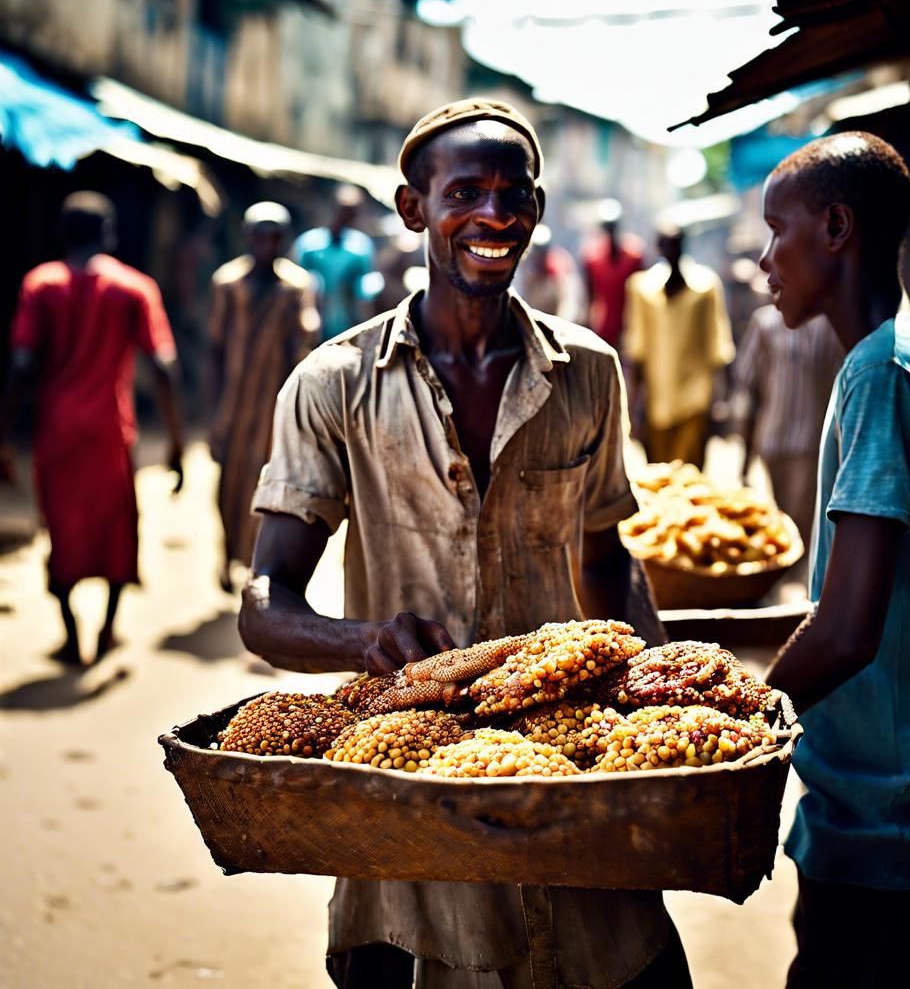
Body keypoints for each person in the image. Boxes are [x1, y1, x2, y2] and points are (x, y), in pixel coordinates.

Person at [238, 98, 689, 989]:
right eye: (466, 192)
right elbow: (264, 606)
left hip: (568, 787)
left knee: (625, 964)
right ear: (415, 210)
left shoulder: (588, 373)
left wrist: (658, 691)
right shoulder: (334, 384)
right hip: (406, 803)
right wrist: (363, 641)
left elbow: (605, 557)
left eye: (513, 193)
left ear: (538, 206)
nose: (495, 215)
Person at [758, 132, 910, 988]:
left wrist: (733, 731)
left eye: (774, 230)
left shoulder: (885, 374)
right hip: (895, 795)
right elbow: (848, 597)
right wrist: (693, 633)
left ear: (834, 227)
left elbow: (849, 631)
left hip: (888, 813)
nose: (761, 258)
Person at [0, 192, 184, 665]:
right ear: (108, 233)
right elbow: (163, 367)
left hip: (56, 432)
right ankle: (105, 631)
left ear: (63, 232)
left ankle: (69, 633)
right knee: (116, 533)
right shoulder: (133, 287)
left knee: (61, 532)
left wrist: (3, 433)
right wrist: (178, 441)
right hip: (109, 431)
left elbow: (21, 365)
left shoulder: (40, 284)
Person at [208, 202, 319, 592]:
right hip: (234, 407)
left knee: (269, 490)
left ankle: (257, 565)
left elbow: (303, 346)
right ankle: (225, 556)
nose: (267, 244)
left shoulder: (296, 287)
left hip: (275, 406)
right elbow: (216, 351)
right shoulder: (228, 283)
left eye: (275, 236)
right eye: (260, 235)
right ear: (247, 237)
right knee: (227, 487)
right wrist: (213, 413)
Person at [732, 304, 843, 555]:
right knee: (783, 527)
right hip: (773, 440)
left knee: (804, 531)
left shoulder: (830, 327)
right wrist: (745, 460)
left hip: (811, 446)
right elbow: (749, 388)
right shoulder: (764, 323)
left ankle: (802, 587)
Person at [623, 222, 734, 467]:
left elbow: (718, 343)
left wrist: (722, 399)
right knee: (659, 478)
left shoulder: (705, 286)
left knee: (690, 475)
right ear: (658, 248)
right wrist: (632, 406)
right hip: (657, 399)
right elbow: (637, 349)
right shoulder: (642, 288)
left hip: (695, 396)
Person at [293, 183, 376, 340]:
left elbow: (366, 293)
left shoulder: (360, 246)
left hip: (347, 329)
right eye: (344, 210)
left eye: (352, 212)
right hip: (310, 328)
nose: (347, 217)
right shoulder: (309, 244)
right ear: (333, 208)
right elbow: (295, 285)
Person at [581, 199, 645, 347]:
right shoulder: (592, 257)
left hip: (629, 322)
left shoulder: (634, 255)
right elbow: (589, 294)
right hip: (603, 324)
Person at [516, 223, 585, 324]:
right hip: (532, 319)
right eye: (536, 250)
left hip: (556, 320)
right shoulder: (524, 265)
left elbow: (570, 301)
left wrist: (561, 325)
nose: (539, 255)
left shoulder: (559, 264)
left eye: (542, 250)